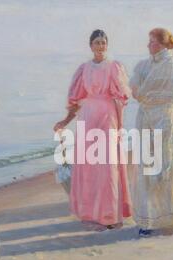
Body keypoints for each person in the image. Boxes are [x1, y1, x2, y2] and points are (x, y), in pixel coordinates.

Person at [53, 30, 133, 230]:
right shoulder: (84, 69)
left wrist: (119, 125)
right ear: (90, 45)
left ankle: (110, 214)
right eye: (97, 43)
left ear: (107, 45)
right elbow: (75, 100)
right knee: (89, 166)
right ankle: (91, 212)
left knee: (107, 166)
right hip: (87, 117)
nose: (100, 46)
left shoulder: (114, 67)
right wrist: (65, 121)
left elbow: (122, 99)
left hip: (107, 117)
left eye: (103, 42)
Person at [130, 28, 173, 237]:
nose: (149, 46)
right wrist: (146, 95)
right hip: (146, 116)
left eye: (152, 42)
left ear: (163, 44)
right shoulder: (143, 65)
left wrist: (156, 95)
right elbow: (135, 91)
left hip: (166, 117)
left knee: (165, 165)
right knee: (148, 165)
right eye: (149, 42)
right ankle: (149, 216)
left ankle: (167, 214)